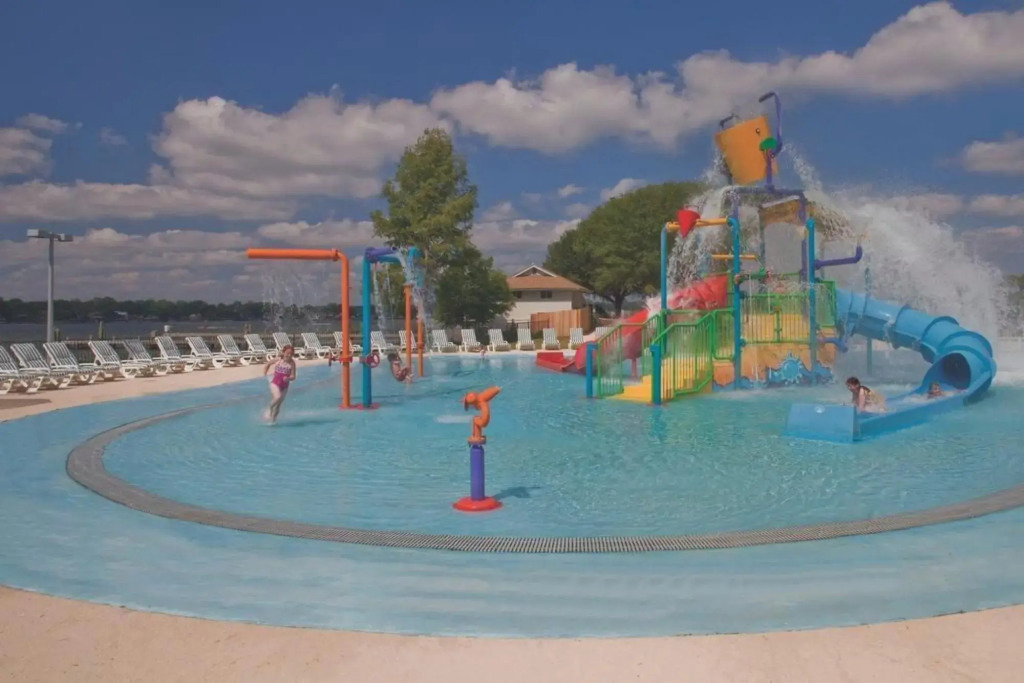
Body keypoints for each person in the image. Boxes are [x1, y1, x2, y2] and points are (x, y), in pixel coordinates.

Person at [263, 345, 296, 423]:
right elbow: (268, 364)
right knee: (277, 397)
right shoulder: (278, 359)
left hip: (284, 386)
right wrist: (265, 373)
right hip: (275, 383)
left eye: (291, 354)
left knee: (278, 405)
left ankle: (272, 422)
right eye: (287, 353)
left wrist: (288, 378)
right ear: (283, 353)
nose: (289, 355)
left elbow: (293, 376)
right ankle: (270, 409)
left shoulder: (292, 363)